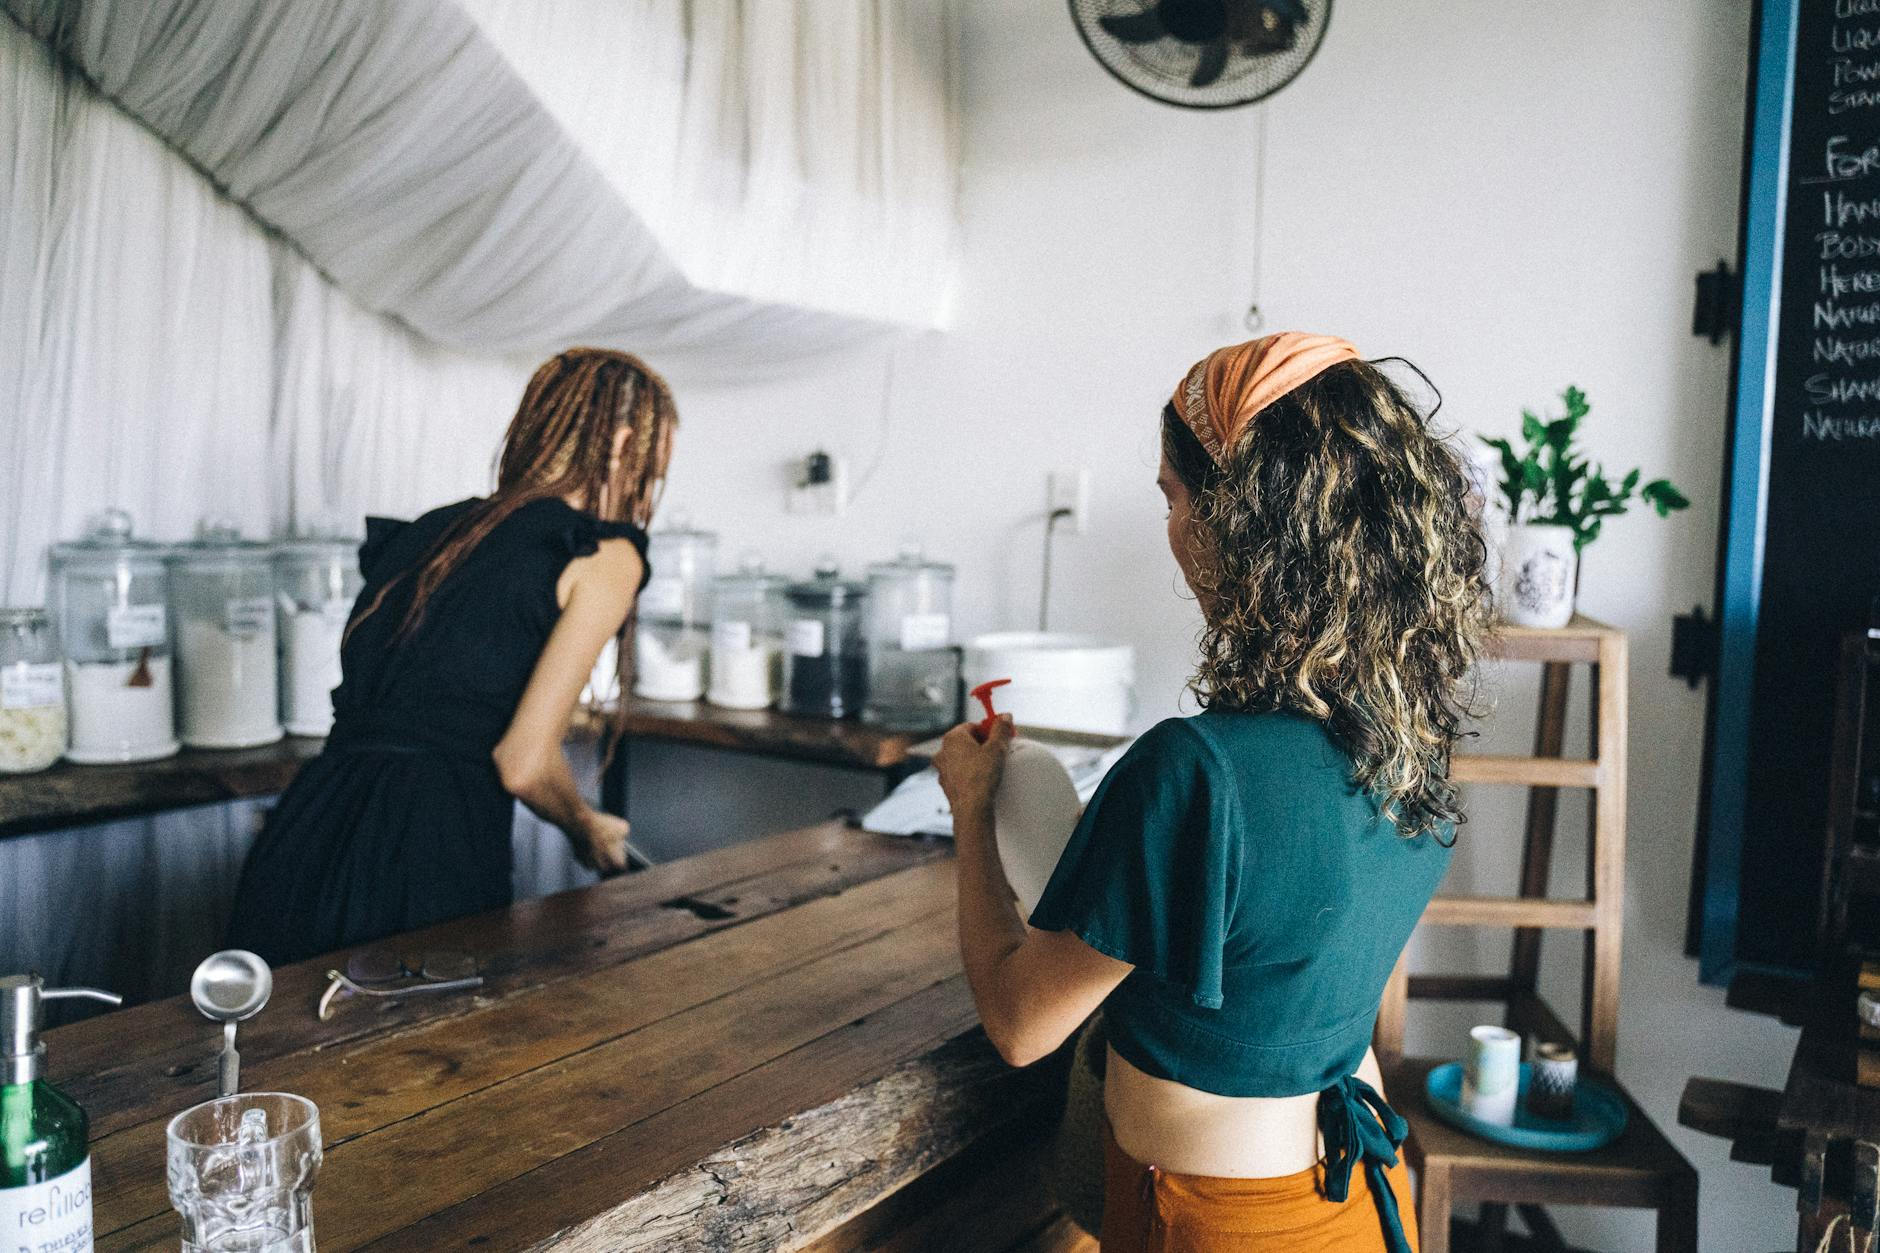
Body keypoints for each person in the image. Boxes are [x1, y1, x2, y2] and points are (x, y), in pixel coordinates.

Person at [933, 333, 1491, 1252]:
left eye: (1171, 494)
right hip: (1353, 1204)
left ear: (1238, 520)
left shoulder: (1194, 772)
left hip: (1215, 1224)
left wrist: (968, 808)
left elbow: (1020, 1022)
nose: (1169, 527)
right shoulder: (1410, 750)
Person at [228, 348, 678, 966]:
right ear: (623, 444)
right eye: (650, 474)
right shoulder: (604, 556)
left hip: (307, 826)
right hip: (428, 850)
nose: (645, 491)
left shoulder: (431, 531)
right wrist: (585, 826)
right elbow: (522, 762)